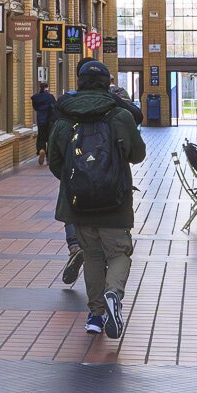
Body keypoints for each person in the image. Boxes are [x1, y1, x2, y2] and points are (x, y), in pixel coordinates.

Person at [47, 59, 146, 338]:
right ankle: (113, 294)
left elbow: (55, 159)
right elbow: (137, 155)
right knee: (118, 253)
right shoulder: (120, 115)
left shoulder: (66, 115)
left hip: (78, 203)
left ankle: (95, 315)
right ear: (107, 82)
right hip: (115, 199)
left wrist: (76, 183)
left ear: (79, 81)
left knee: (91, 255)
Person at [32, 82, 56, 163]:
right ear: (47, 88)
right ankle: (48, 157)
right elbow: (55, 107)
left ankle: (41, 149)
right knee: (50, 138)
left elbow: (35, 107)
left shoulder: (36, 98)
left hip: (40, 120)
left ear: (40, 88)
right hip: (50, 121)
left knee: (41, 137)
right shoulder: (50, 97)